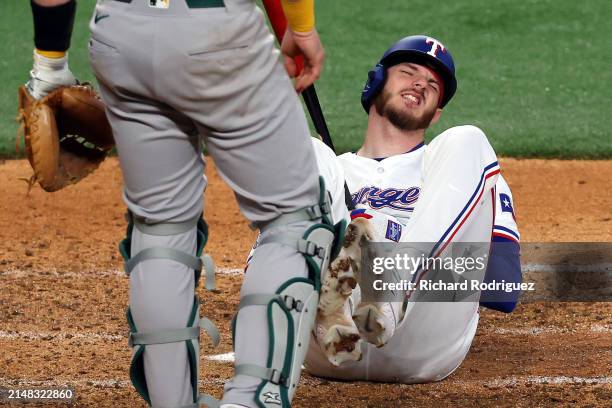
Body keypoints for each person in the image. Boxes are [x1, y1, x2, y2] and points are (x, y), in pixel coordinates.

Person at [26, 0, 342, 407]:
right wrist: (301, 28)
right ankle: (251, 400)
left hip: (120, 37)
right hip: (216, 36)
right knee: (294, 220)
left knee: (160, 228)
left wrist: (49, 66)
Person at [284, 35, 521, 383]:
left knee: (468, 137)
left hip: (420, 341)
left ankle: (391, 293)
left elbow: (503, 289)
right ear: (376, 81)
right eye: (409, 72)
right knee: (308, 151)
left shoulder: (460, 171)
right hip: (327, 347)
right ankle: (337, 308)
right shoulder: (332, 171)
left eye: (433, 86)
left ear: (437, 112)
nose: (420, 84)